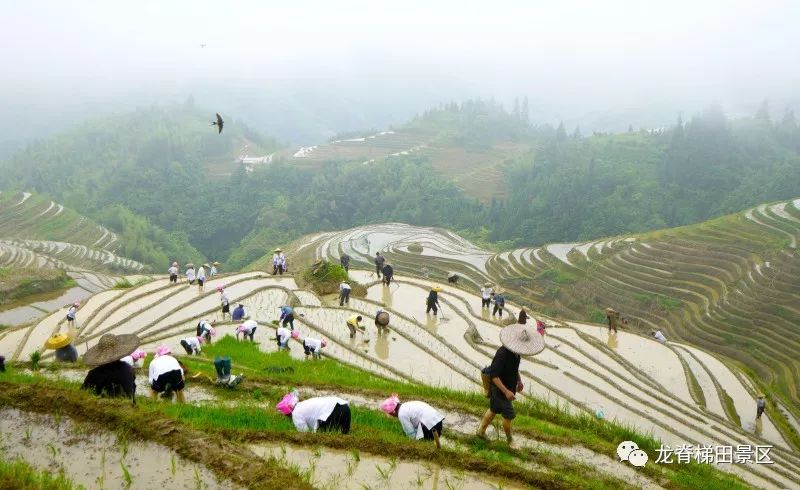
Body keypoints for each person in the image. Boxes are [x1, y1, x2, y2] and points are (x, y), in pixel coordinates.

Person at [477, 310, 545, 448]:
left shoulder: (516, 353)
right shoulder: (502, 354)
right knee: (509, 416)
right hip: (501, 390)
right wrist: (507, 392)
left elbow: (514, 369)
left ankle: (480, 431)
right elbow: (494, 376)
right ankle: (510, 441)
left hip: (507, 388)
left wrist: (519, 381)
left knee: (493, 409)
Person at [81, 334, 140, 403]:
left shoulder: (94, 374)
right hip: (129, 407)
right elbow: (132, 390)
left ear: (100, 355)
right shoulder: (129, 369)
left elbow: (83, 394)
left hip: (104, 409)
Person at [380, 395, 445, 449]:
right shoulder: (406, 405)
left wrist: (411, 444)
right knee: (430, 443)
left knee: (422, 445)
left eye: (390, 414)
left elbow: (411, 434)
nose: (391, 416)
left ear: (393, 412)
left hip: (428, 425)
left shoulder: (401, 414)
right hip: (438, 421)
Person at [277, 391, 351, 434]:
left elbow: (305, 435)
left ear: (288, 413)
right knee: (344, 437)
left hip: (331, 412)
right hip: (344, 406)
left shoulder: (296, 414)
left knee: (320, 439)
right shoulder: (303, 404)